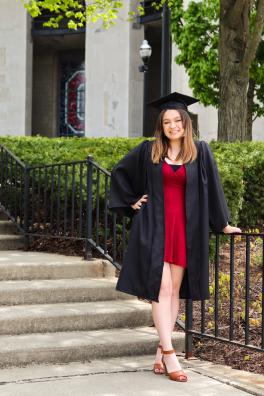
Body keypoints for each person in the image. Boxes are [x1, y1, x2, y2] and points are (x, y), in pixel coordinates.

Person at [109, 91, 241, 382]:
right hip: (155, 227)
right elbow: (119, 172)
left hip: (185, 230)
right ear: (161, 125)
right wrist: (132, 201)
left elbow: (214, 188)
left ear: (186, 122)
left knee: (174, 292)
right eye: (167, 121)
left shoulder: (201, 151)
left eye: (177, 120)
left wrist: (223, 224)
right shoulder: (148, 150)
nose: (172, 126)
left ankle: (160, 351)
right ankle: (170, 354)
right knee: (161, 289)